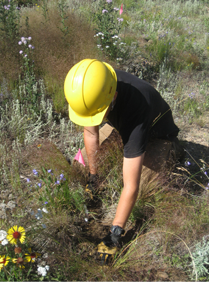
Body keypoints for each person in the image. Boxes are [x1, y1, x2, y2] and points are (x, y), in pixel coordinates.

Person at [64, 58, 181, 263]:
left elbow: (130, 186)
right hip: (121, 124)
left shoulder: (136, 111)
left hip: (156, 136)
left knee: (143, 184)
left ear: (113, 98)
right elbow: (90, 133)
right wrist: (94, 176)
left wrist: (115, 234)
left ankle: (172, 152)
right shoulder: (95, 85)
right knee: (80, 161)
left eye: (97, 114)